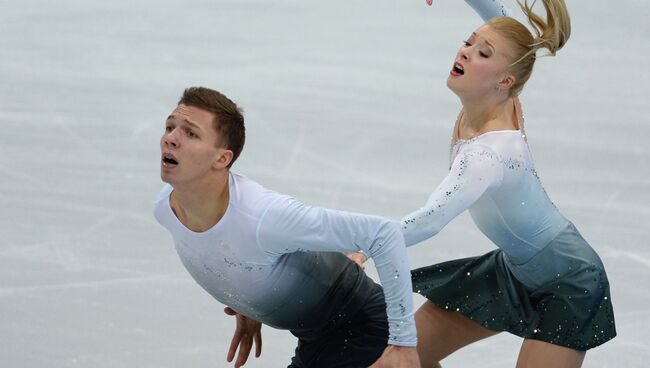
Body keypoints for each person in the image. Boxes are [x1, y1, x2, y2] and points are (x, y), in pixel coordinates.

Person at [400, 0, 617, 367]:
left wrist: (362, 242)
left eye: (481, 53)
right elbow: (500, 22)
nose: (466, 53)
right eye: (468, 43)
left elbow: (430, 219)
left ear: (504, 81)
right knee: (403, 357)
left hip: (571, 281)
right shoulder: (501, 96)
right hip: (512, 272)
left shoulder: (488, 156)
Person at [153, 86, 420, 368]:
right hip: (319, 334)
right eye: (170, 127)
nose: (170, 139)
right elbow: (232, 249)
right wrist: (249, 303)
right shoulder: (165, 210)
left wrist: (403, 343)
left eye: (190, 133)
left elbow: (384, 234)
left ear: (222, 158)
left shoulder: (263, 216)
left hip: (365, 327)